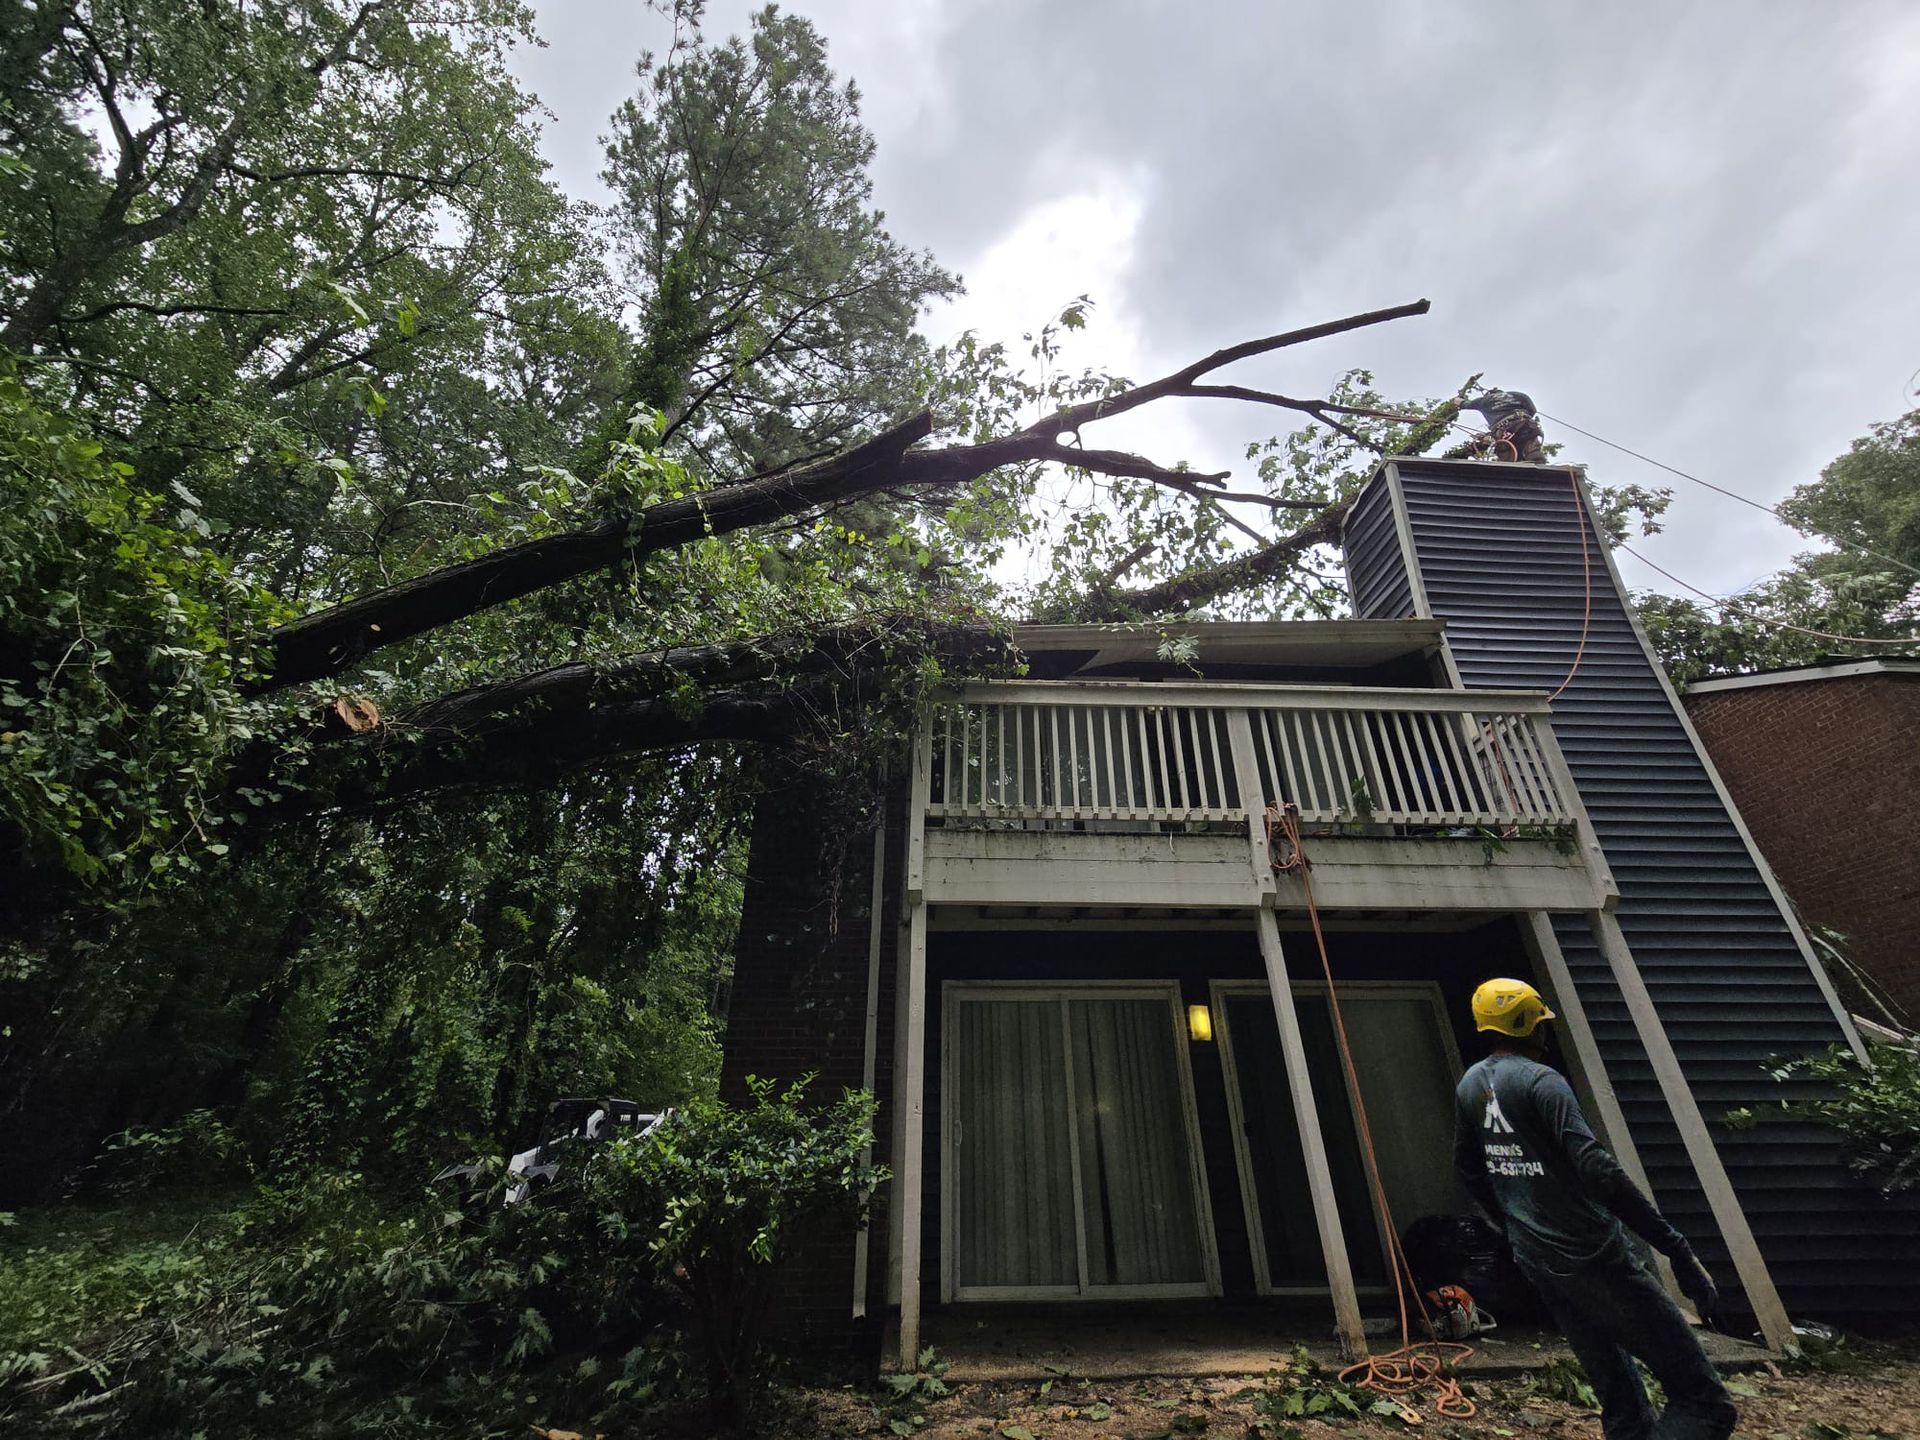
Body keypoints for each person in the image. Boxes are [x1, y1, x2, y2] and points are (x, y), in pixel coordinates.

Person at [1453, 978, 1738, 1440]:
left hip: (1539, 1260)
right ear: (1528, 1025)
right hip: (1595, 1255)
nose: (1547, 1033)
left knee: (1621, 1403)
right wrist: (1675, 1248)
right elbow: (1598, 1170)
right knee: (1704, 1404)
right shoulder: (1543, 1083)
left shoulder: (1471, 1084)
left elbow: (1468, 1168)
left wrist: (1511, 1227)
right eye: (1541, 1023)